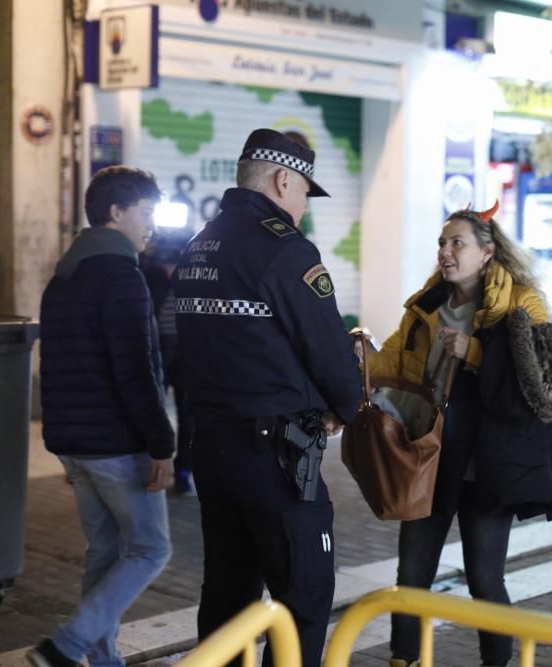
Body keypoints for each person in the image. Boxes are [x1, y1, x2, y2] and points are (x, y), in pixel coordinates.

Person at [172, 129, 362, 667]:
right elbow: (327, 349)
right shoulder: (283, 249)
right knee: (303, 595)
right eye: (303, 191)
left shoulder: (198, 245)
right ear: (283, 179)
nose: (303, 207)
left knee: (228, 599)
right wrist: (346, 408)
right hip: (276, 457)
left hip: (212, 449)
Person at [363, 203, 552, 667]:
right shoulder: (428, 304)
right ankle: (405, 660)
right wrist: (357, 354)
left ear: (486, 252)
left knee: (485, 580)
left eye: (457, 242)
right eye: (442, 242)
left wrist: (475, 351)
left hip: (489, 464)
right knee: (412, 574)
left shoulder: (520, 302)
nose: (445, 251)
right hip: (430, 458)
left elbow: (544, 383)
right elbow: (395, 363)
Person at [31, 166, 175, 667]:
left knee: (106, 551)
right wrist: (163, 444)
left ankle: (103, 659)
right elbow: (136, 372)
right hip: (116, 443)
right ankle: (69, 645)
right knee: (150, 550)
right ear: (116, 213)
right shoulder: (121, 277)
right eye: (146, 212)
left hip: (74, 442)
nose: (151, 225)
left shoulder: (62, 277)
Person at [142, 232, 195, 494]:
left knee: (189, 415)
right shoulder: (147, 270)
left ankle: (184, 470)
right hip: (157, 349)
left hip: (188, 351)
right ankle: (152, 465)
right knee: (153, 408)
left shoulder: (195, 269)